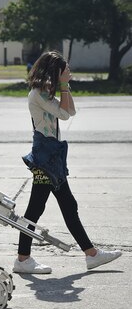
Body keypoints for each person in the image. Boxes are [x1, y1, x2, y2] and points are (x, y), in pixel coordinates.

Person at [13, 51, 122, 274]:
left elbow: (69, 111)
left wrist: (65, 86)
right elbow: (63, 116)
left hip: (51, 156)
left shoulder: (45, 91)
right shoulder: (38, 93)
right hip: (45, 157)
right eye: (65, 70)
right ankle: (25, 259)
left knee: (59, 206)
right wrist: (63, 85)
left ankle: (89, 254)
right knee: (39, 208)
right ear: (55, 71)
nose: (69, 73)